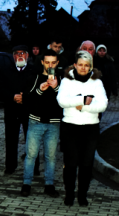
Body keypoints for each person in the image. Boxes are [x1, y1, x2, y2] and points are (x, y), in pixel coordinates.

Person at [57, 52, 108, 206]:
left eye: (87, 65)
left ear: (90, 66)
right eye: (80, 64)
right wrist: (83, 99)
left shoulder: (97, 83)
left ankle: (82, 195)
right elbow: (61, 101)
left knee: (86, 164)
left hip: (90, 128)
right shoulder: (67, 81)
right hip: (70, 128)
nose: (83, 68)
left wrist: (83, 107)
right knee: (71, 163)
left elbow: (103, 105)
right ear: (75, 65)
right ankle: (69, 194)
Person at [20, 49, 62, 198]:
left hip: (54, 123)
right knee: (31, 155)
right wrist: (40, 89)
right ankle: (26, 184)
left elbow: (64, 101)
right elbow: (27, 98)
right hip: (36, 121)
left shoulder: (61, 78)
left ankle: (49, 185)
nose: (50, 65)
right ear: (43, 62)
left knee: (50, 156)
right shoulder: (35, 77)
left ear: (57, 63)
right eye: (47, 62)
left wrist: (56, 87)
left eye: (53, 62)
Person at [0, 45, 34, 175]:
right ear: (13, 56)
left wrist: (25, 97)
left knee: (31, 139)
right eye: (17, 53)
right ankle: (10, 166)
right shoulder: (5, 70)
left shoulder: (33, 70)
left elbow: (36, 89)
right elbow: (0, 89)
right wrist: (12, 96)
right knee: (11, 139)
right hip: (12, 109)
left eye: (22, 53)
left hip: (28, 109)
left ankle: (33, 167)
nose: (20, 56)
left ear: (27, 55)